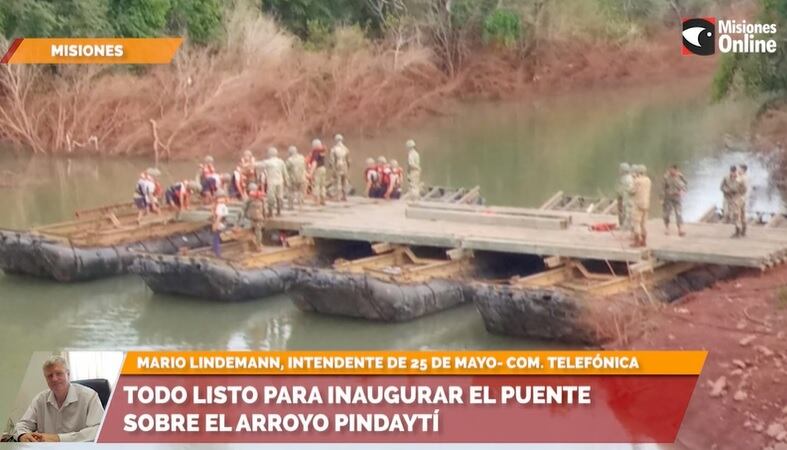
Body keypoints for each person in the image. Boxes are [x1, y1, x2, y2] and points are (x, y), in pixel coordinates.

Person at [13, 356, 103, 442]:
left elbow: (99, 430)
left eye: (59, 373)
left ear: (68, 374)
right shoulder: (40, 399)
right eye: (49, 376)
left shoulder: (89, 396)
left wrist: (58, 438)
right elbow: (22, 425)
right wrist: (23, 435)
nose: (54, 379)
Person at [629, 164, 652, 247]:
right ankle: (644, 241)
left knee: (636, 223)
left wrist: (634, 179)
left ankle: (637, 241)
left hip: (638, 204)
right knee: (643, 224)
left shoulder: (637, 181)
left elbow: (631, 191)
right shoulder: (648, 180)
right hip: (646, 204)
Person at [262, 147, 289, 217]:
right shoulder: (281, 162)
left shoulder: (268, 162)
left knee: (271, 197)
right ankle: (279, 211)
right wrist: (287, 181)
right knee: (279, 197)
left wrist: (249, 164)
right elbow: (285, 172)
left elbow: (259, 164)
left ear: (269, 154)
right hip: (280, 181)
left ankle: (270, 212)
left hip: (272, 182)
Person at [721, 166, 746, 238]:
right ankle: (737, 231)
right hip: (730, 197)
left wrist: (739, 194)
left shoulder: (740, 179)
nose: (733, 174)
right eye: (732, 172)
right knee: (735, 214)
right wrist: (726, 190)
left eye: (734, 172)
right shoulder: (726, 178)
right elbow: (721, 187)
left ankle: (742, 231)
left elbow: (744, 189)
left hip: (738, 197)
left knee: (739, 214)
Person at [662, 164, 687, 237]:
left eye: (673, 170)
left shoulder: (680, 176)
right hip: (668, 197)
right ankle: (667, 228)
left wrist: (683, 191)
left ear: (676, 170)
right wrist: (662, 198)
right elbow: (663, 188)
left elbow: (685, 185)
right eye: (670, 170)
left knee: (678, 213)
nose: (671, 171)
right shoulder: (666, 177)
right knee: (667, 214)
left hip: (677, 197)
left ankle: (680, 230)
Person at [243, 183, 266, 249]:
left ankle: (255, 244)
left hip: (250, 217)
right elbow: (264, 209)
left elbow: (244, 207)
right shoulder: (261, 199)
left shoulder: (248, 199)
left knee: (251, 230)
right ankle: (258, 245)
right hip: (259, 217)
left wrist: (244, 214)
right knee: (258, 231)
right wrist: (264, 216)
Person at [329, 134, 350, 201]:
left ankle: (338, 197)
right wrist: (348, 167)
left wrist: (332, 167)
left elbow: (332, 160)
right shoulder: (346, 149)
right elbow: (348, 160)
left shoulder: (334, 149)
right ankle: (345, 196)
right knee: (344, 181)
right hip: (345, 165)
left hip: (338, 165)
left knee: (338, 181)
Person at [286, 146, 307, 210]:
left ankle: (290, 206)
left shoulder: (289, 160)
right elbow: (304, 166)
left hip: (293, 179)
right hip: (302, 178)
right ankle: (301, 205)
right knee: (301, 192)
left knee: (290, 192)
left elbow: (286, 169)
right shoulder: (302, 157)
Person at [309, 139, 328, 205]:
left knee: (316, 185)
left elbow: (314, 163)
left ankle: (317, 201)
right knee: (322, 185)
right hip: (323, 169)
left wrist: (310, 173)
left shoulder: (315, 152)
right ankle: (323, 200)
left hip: (318, 169)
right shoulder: (322, 151)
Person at [211, 190, 229, 257]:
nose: (220, 200)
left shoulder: (221, 206)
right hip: (221, 222)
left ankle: (217, 252)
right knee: (216, 237)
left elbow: (219, 217)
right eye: (219, 198)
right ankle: (216, 250)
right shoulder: (221, 205)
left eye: (222, 198)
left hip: (220, 223)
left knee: (216, 237)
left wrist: (215, 225)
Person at [616, 163, 634, 231]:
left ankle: (625, 227)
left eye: (620, 169)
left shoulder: (627, 178)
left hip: (626, 199)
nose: (619, 171)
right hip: (623, 198)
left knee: (626, 213)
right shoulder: (625, 178)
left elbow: (626, 189)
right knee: (624, 213)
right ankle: (624, 226)